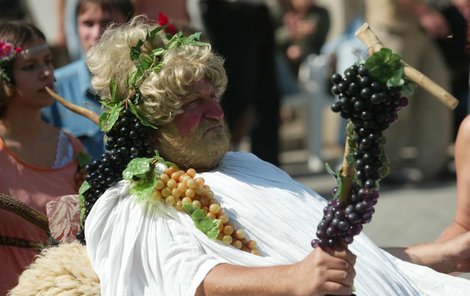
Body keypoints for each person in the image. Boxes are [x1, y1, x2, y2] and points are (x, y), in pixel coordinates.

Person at [59, 16, 470, 295]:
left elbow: (325, 260)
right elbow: (186, 279)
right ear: (152, 120)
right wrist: (293, 279)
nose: (217, 112)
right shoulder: (134, 197)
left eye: (213, 97)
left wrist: (435, 256)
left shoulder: (246, 164)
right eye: (192, 104)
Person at [0, 21, 87, 295]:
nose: (47, 72)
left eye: (48, 61)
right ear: (3, 78)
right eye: (30, 67)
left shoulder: (70, 147)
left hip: (67, 287)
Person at [364, 0, 453, 182]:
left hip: (420, 32)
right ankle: (378, 169)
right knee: (389, 103)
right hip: (391, 30)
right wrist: (424, 12)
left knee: (435, 100)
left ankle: (433, 165)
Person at [42, 0, 133, 161]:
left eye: (108, 23)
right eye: (88, 24)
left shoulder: (148, 81)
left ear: (129, 24)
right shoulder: (53, 87)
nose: (97, 33)